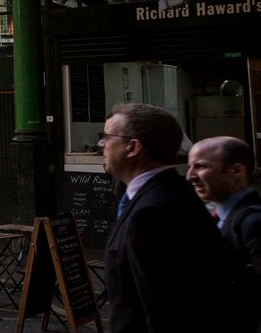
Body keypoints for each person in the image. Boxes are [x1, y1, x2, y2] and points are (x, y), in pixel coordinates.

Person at [100, 103, 234, 332]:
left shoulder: (151, 214)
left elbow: (163, 308)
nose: (101, 143)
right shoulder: (170, 193)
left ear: (133, 147)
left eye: (107, 136)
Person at [188, 135, 261, 330]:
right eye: (190, 166)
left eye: (201, 166)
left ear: (236, 170)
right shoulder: (218, 218)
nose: (190, 176)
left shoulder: (252, 223)